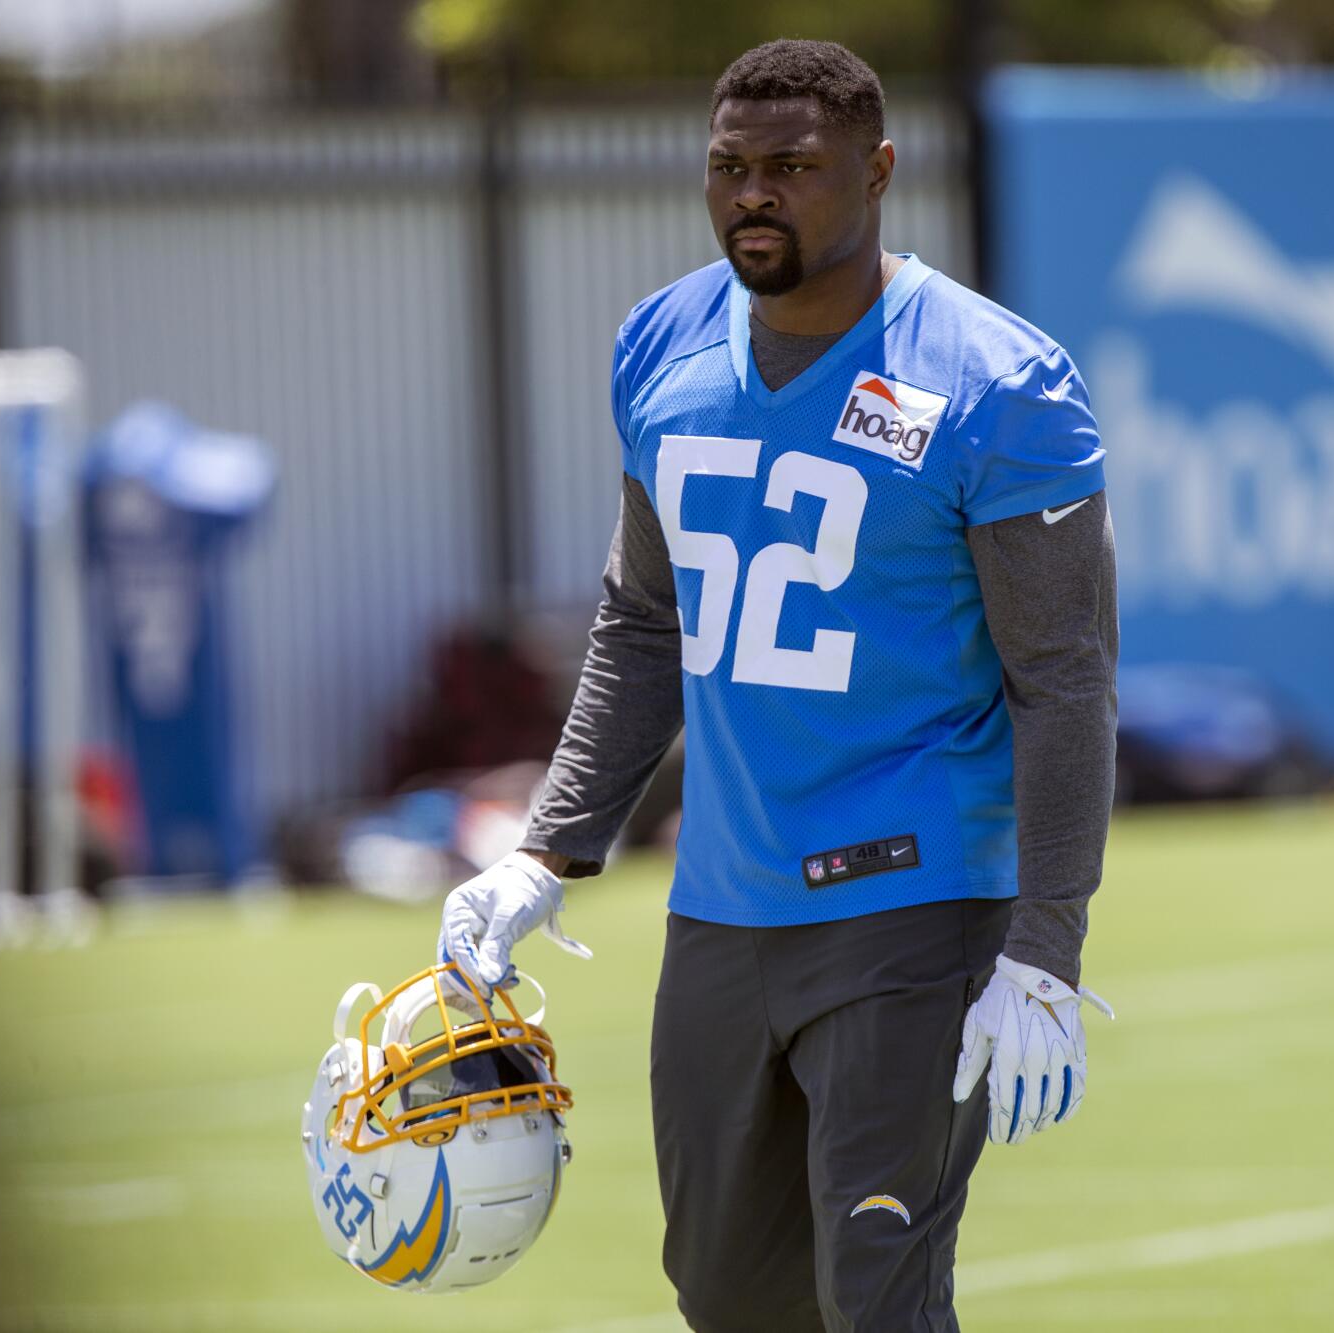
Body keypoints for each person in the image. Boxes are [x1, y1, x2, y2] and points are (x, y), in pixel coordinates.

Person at [439, 38, 1118, 1332]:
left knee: (877, 1293)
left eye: (793, 168)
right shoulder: (662, 345)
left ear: (876, 173)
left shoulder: (998, 380)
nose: (756, 194)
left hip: (913, 906)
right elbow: (645, 621)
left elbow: (1064, 681)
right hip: (725, 909)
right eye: (731, 167)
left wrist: (1044, 946)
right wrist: (546, 854)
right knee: (728, 1298)